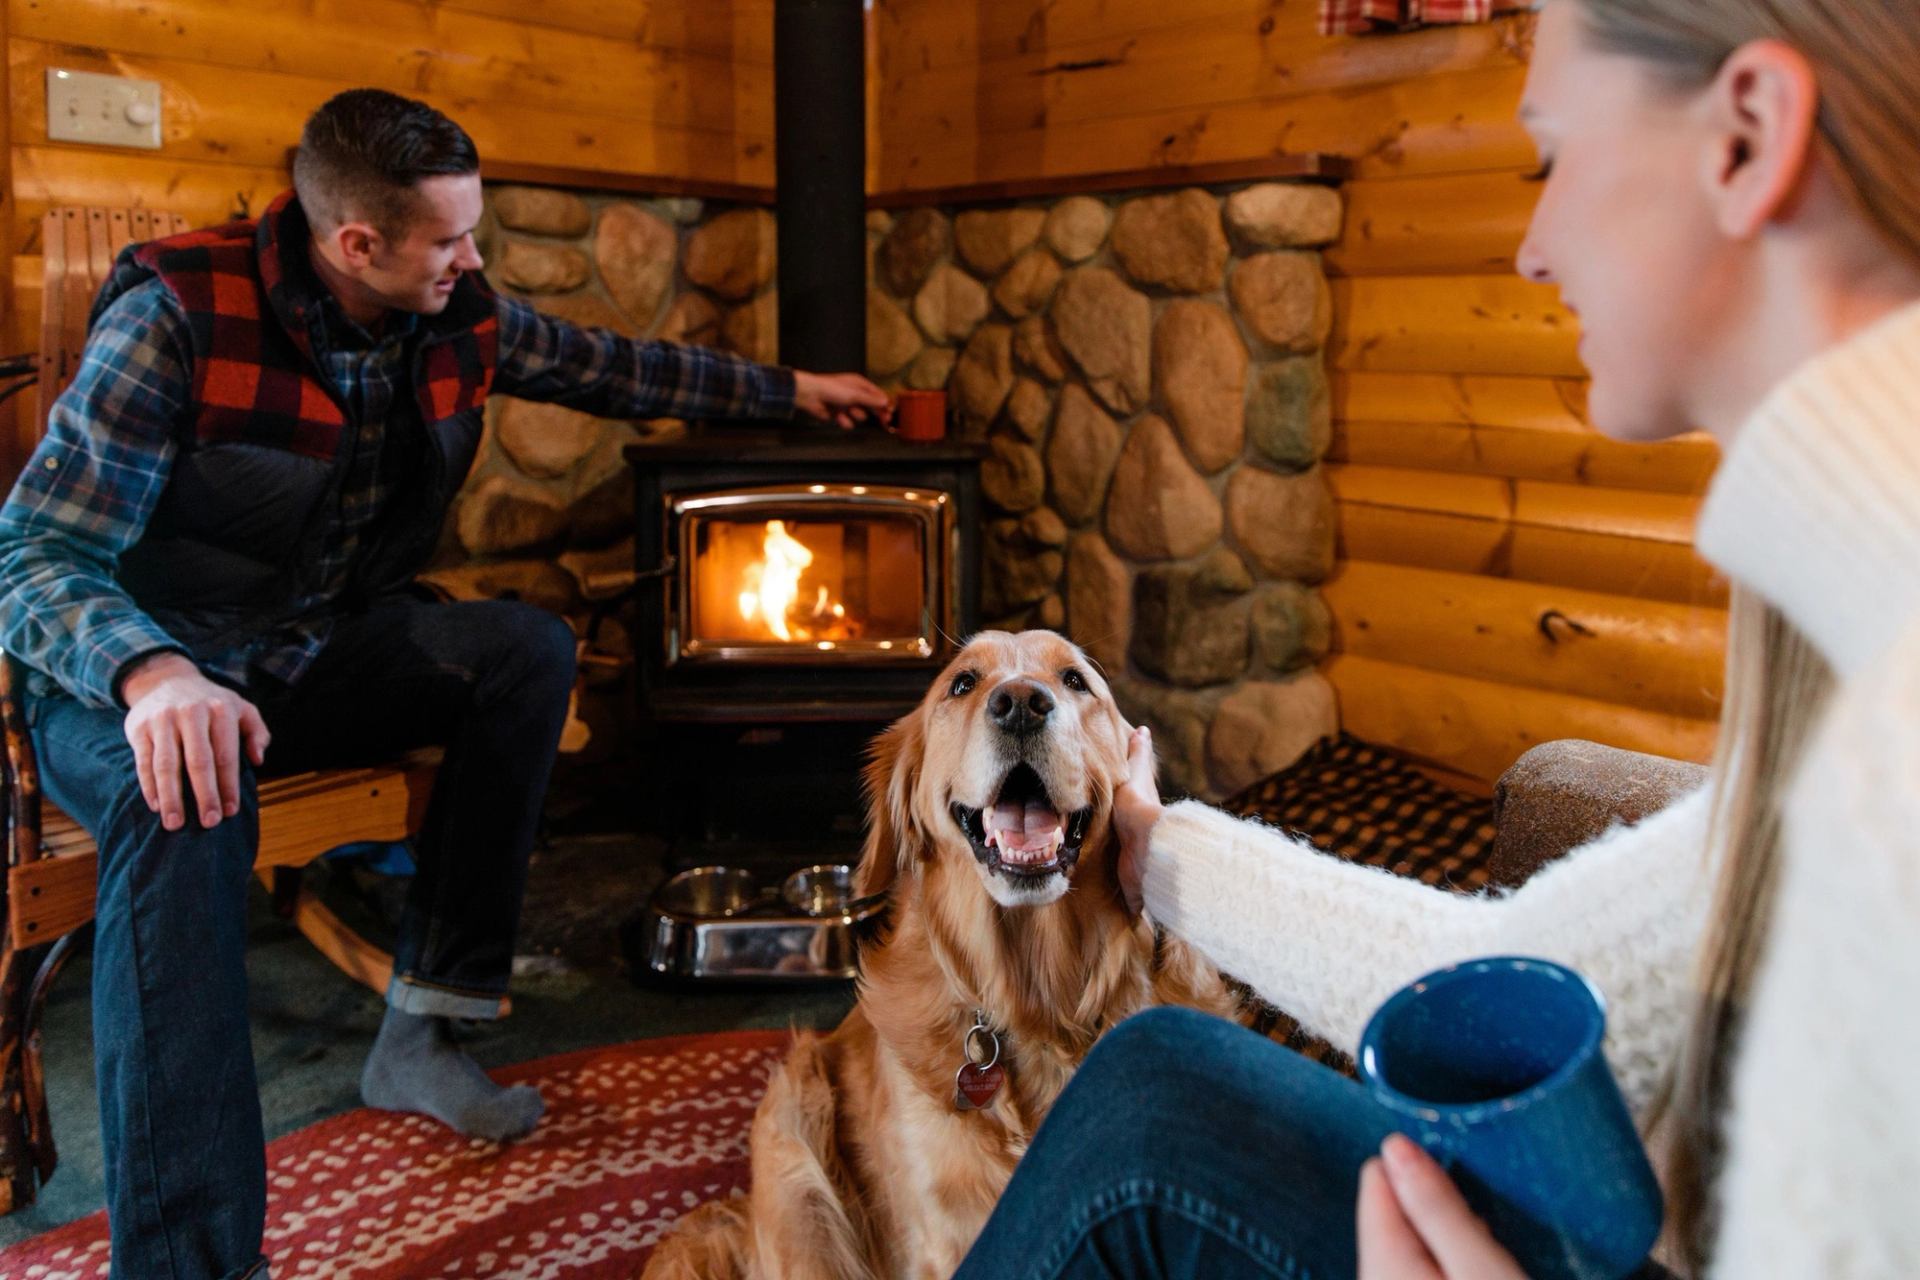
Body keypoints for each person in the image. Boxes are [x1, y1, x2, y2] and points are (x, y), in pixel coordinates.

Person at [954, 0, 1920, 1277]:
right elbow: (1499, 978)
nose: (1532, 243)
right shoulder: (1845, 607)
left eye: (1550, 158)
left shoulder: (1891, 728)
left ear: (1747, 136)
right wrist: (1153, 842)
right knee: (1156, 1084)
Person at [0, 88, 888, 1280]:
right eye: (451, 238)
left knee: (521, 651)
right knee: (187, 796)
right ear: (355, 242)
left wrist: (793, 392)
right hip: (131, 676)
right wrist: (151, 670)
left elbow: (611, 367)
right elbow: (29, 551)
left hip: (306, 652)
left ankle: (423, 1026)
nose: (475, 261)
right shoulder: (178, 316)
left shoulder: (452, 311)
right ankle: (186, 1260)